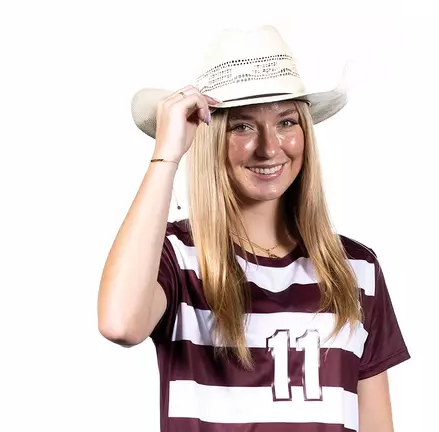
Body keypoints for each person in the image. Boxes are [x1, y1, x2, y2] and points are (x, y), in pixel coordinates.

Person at [97, 25, 410, 432]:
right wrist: (168, 154)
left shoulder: (356, 268)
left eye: (285, 122)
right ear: (210, 137)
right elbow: (120, 324)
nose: (269, 147)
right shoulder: (178, 257)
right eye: (242, 126)